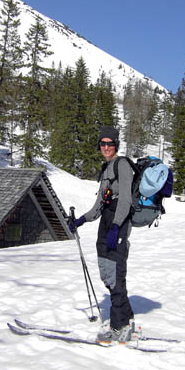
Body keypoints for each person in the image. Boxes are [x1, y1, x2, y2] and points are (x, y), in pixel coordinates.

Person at [71, 126, 135, 343]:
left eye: (110, 143)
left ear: (116, 145)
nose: (106, 147)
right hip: (106, 222)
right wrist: (82, 219)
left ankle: (119, 327)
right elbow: (99, 203)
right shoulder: (107, 168)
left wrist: (117, 226)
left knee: (116, 272)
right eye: (103, 143)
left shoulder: (123, 165)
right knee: (106, 271)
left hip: (118, 222)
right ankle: (127, 318)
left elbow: (125, 199)